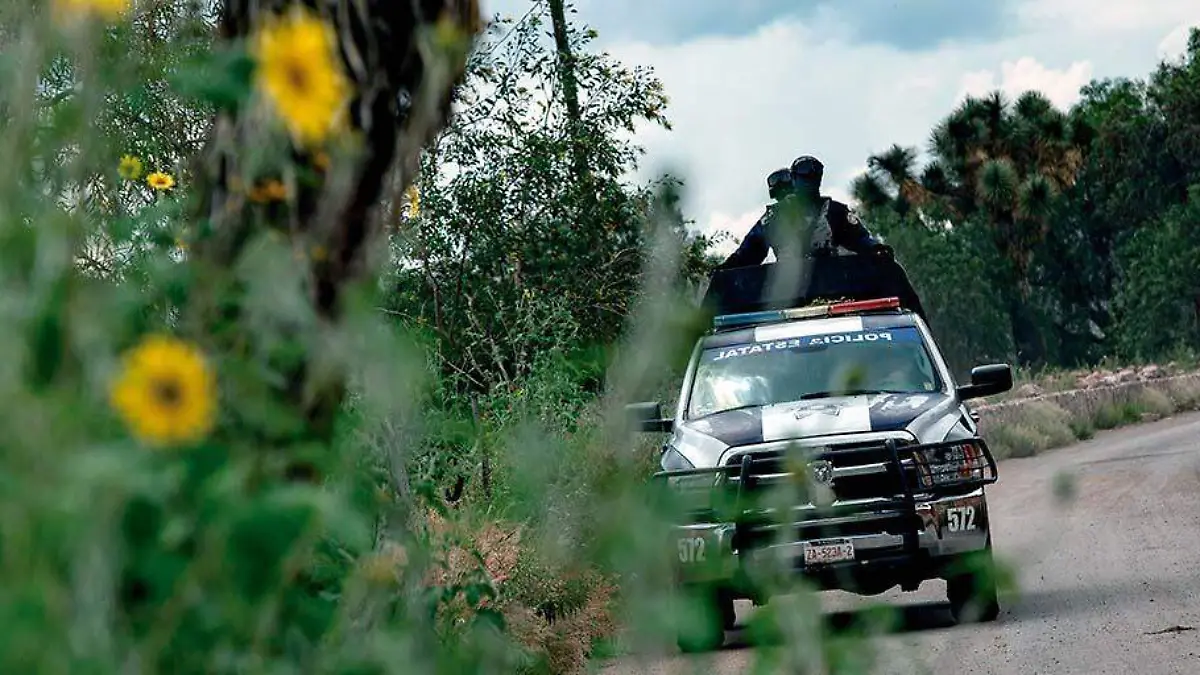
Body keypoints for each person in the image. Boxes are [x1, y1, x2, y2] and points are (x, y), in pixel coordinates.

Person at [717, 155, 892, 270]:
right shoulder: (774, 218)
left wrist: (875, 248)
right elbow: (749, 252)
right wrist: (727, 267)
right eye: (803, 175)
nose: (809, 179)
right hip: (788, 296)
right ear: (793, 179)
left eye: (814, 175)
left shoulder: (835, 211)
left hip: (835, 287)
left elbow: (860, 239)